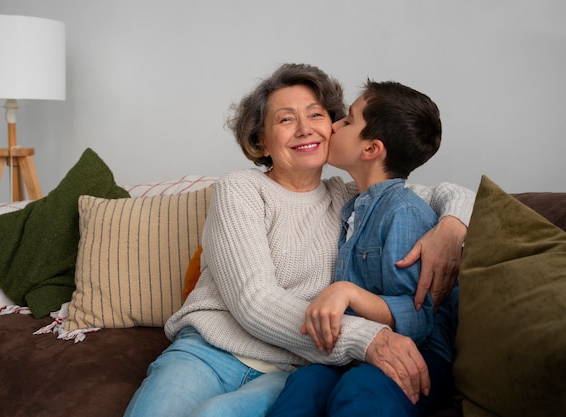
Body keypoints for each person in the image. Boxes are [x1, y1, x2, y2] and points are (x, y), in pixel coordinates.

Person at [123, 63, 474, 417]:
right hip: (210, 352)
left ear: (333, 126)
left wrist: (452, 227)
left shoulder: (353, 198)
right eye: (286, 119)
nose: (305, 129)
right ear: (262, 140)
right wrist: (365, 339)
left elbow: (444, 195)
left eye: (316, 114)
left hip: (294, 367)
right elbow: (254, 302)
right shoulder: (241, 189)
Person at [267, 80, 458, 417]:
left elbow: (417, 317)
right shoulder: (352, 204)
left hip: (419, 356)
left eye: (348, 121)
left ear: (371, 150)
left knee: (361, 390)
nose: (334, 125)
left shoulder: (403, 212)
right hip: (360, 349)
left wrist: (347, 292)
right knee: (304, 384)